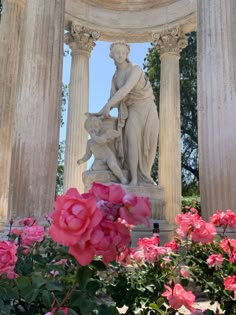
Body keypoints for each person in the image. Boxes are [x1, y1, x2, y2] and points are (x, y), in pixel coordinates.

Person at [95, 41, 159, 186]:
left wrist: (108, 105)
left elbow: (125, 90)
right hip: (133, 110)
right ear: (112, 55)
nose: (120, 55)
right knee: (132, 141)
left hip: (147, 107)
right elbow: (112, 99)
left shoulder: (135, 69)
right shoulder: (115, 77)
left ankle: (145, 176)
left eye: (123, 52)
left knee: (149, 146)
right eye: (117, 52)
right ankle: (134, 179)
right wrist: (101, 113)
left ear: (127, 54)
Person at [77, 116, 128, 185]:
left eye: (95, 127)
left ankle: (122, 178)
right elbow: (88, 155)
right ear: (87, 130)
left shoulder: (102, 136)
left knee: (112, 165)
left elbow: (101, 141)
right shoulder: (89, 143)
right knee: (95, 168)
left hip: (108, 157)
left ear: (99, 128)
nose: (93, 129)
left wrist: (94, 136)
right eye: (90, 127)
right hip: (99, 160)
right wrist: (82, 160)